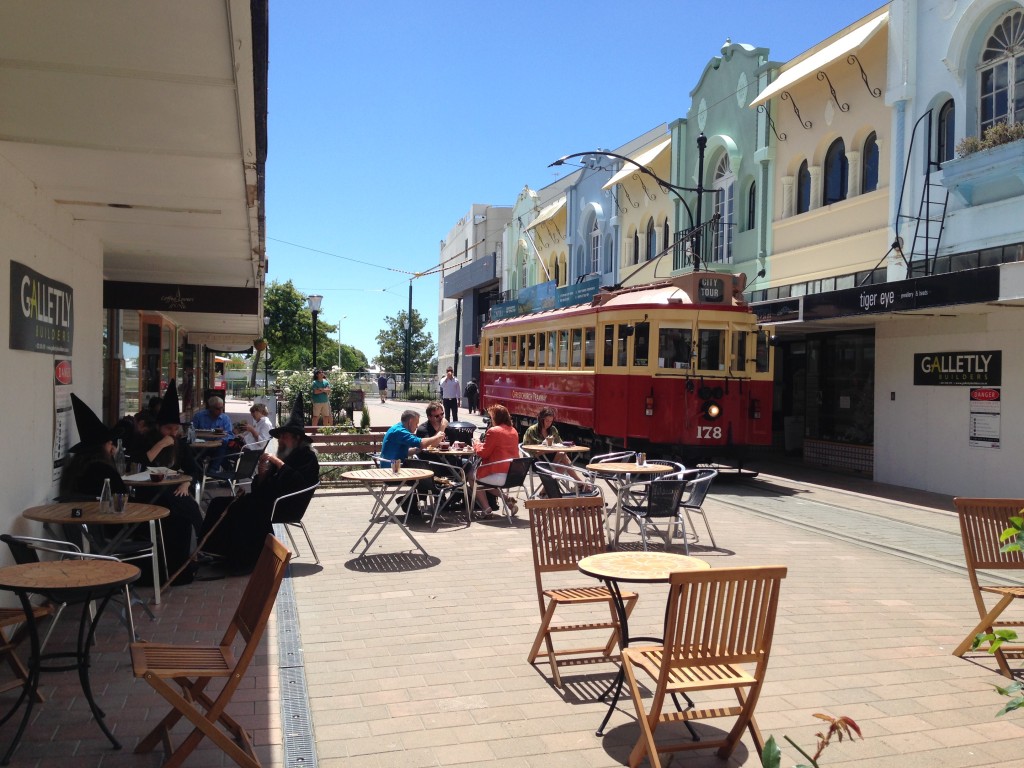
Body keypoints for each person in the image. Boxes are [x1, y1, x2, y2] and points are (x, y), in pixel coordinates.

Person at [199, 395, 320, 574]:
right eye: (280, 437)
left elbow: (297, 482)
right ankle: (214, 551)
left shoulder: (307, 457)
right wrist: (262, 474)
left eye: (284, 437)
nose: (280, 440)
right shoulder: (285, 454)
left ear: (296, 439)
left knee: (241, 510)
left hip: (286, 504)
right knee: (218, 503)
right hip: (267, 499)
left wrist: (277, 463)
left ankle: (244, 560)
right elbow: (264, 485)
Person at [137, 380, 204, 584]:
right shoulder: (147, 440)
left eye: (176, 429)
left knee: (189, 510)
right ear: (159, 427)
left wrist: (186, 483)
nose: (173, 433)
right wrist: (160, 444)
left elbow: (194, 469)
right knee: (176, 513)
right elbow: (143, 461)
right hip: (149, 492)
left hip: (174, 490)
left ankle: (191, 557)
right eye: (168, 429)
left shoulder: (180, 445)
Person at [60, 393, 127, 500]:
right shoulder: (105, 470)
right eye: (109, 443)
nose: (112, 448)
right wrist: (111, 459)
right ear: (101, 446)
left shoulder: (75, 467)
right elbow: (122, 496)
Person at [472, 404, 521, 516]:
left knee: (472, 477)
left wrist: (476, 444)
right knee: (483, 481)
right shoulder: (513, 430)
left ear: (496, 418)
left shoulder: (493, 431)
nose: (491, 420)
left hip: (498, 475)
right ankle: (507, 500)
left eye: (491, 417)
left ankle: (486, 509)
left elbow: (483, 453)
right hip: (512, 475)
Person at [522, 407, 581, 481]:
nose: (549, 423)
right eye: (547, 421)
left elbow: (560, 443)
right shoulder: (532, 430)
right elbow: (528, 449)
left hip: (550, 459)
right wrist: (547, 450)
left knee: (562, 461)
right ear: (541, 419)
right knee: (562, 458)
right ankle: (579, 483)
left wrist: (567, 445)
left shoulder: (553, 429)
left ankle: (546, 488)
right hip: (537, 461)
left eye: (551, 421)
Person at [381, 409, 446, 468]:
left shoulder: (397, 428)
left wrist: (418, 449)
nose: (417, 426)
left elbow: (404, 452)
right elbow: (421, 443)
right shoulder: (400, 432)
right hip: (393, 468)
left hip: (393, 465)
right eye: (416, 423)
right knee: (428, 468)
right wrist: (437, 436)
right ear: (410, 422)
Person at [190, 394, 235, 470]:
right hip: (200, 446)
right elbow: (191, 432)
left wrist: (221, 440)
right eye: (217, 409)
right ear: (210, 408)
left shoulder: (225, 418)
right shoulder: (199, 416)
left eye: (222, 408)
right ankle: (202, 471)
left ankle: (213, 470)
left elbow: (230, 434)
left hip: (217, 447)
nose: (220, 411)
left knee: (223, 446)